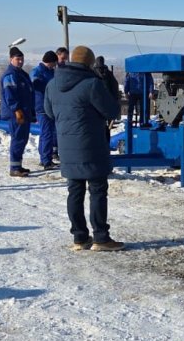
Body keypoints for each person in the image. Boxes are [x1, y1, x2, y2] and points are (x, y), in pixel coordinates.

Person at [44, 44, 124, 251]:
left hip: (67, 146)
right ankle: (101, 238)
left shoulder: (52, 85)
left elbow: (49, 112)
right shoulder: (91, 84)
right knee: (97, 190)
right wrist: (107, 85)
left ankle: (79, 238)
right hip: (92, 145)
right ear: (89, 63)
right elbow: (112, 111)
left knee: (75, 191)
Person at [0, 46, 35, 177]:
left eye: (21, 59)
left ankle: (18, 165)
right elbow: (10, 95)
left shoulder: (22, 74)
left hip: (25, 112)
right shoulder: (10, 76)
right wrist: (17, 110)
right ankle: (14, 167)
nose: (20, 61)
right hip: (16, 114)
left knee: (23, 139)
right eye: (17, 59)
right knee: (18, 139)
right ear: (11, 59)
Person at [31, 50, 59, 170]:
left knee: (48, 133)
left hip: (50, 105)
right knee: (46, 134)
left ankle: (46, 158)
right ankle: (45, 160)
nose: (55, 65)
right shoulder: (38, 71)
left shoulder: (51, 72)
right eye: (54, 63)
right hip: (42, 106)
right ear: (50, 62)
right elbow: (33, 83)